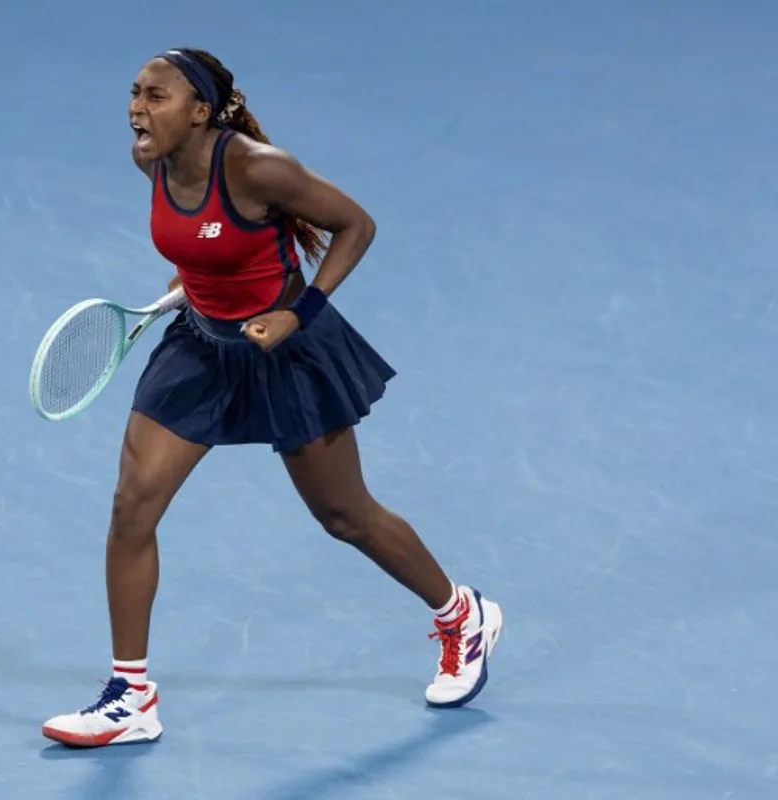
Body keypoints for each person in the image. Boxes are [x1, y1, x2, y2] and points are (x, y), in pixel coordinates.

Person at [41, 48, 503, 748]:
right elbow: (199, 246)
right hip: (200, 350)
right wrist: (197, 290)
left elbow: (357, 226)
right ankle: (131, 695)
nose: (137, 109)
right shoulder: (152, 161)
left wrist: (298, 313)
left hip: (286, 352)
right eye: (134, 93)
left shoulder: (259, 167)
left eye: (156, 96)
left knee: (346, 516)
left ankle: (460, 615)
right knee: (132, 506)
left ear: (201, 110)